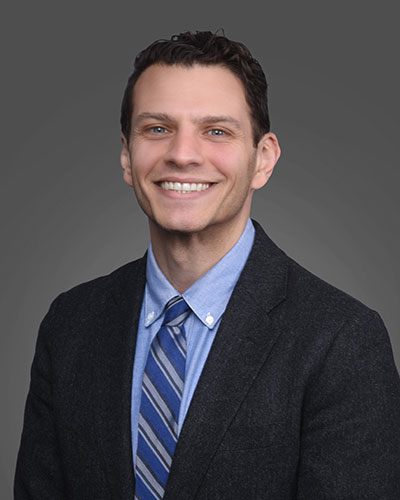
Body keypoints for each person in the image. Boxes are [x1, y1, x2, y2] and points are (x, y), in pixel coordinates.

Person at [15, 30, 400, 500]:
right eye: (157, 129)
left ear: (263, 159)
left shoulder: (342, 341)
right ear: (127, 156)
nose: (182, 154)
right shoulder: (70, 324)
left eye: (216, 131)